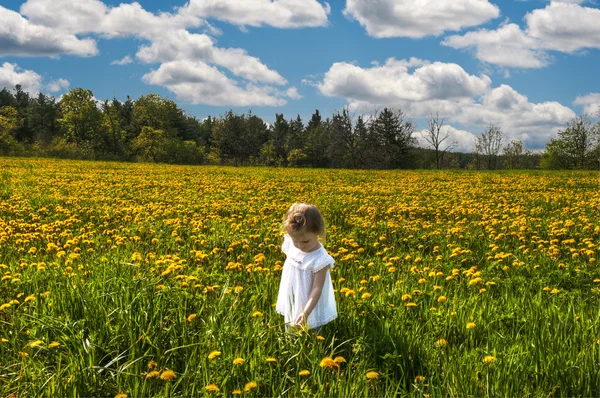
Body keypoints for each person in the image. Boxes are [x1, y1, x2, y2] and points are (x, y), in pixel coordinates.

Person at [276, 203, 337, 333]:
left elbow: (317, 289)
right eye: (295, 241)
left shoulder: (320, 259)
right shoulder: (293, 243)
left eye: (305, 242)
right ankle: (290, 347)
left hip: (310, 304)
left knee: (312, 331)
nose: (299, 246)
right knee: (291, 327)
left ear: (318, 233)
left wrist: (306, 312)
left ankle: (315, 350)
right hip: (293, 296)